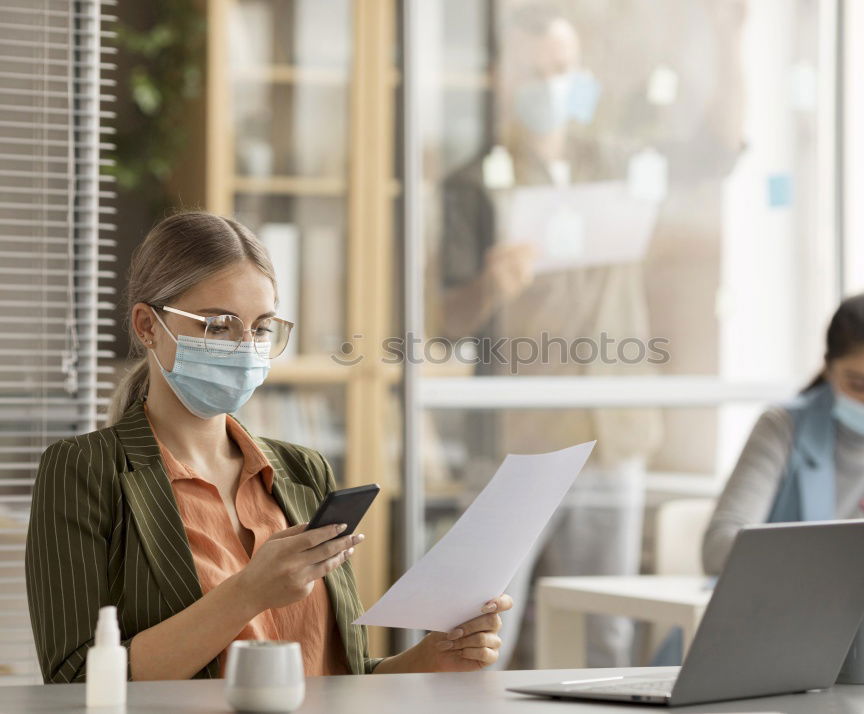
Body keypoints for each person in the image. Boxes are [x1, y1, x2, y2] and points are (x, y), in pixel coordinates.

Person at [24, 212, 512, 683]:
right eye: (218, 326)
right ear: (148, 326)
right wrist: (247, 593)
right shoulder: (83, 470)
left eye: (260, 328)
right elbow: (77, 680)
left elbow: (335, 674)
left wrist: (429, 659)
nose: (244, 346)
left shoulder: (303, 471)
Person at [439, 5, 661, 669]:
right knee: (480, 625)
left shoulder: (623, 168)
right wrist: (489, 287)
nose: (551, 84)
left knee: (608, 634)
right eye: (534, 72)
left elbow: (714, 148)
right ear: (502, 80)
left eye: (562, 69)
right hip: (518, 440)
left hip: (612, 430)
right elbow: (446, 321)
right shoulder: (472, 184)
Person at [702, 290, 864, 668]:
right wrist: (846, 557)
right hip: (764, 642)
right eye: (859, 384)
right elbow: (717, 548)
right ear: (829, 369)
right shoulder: (783, 426)